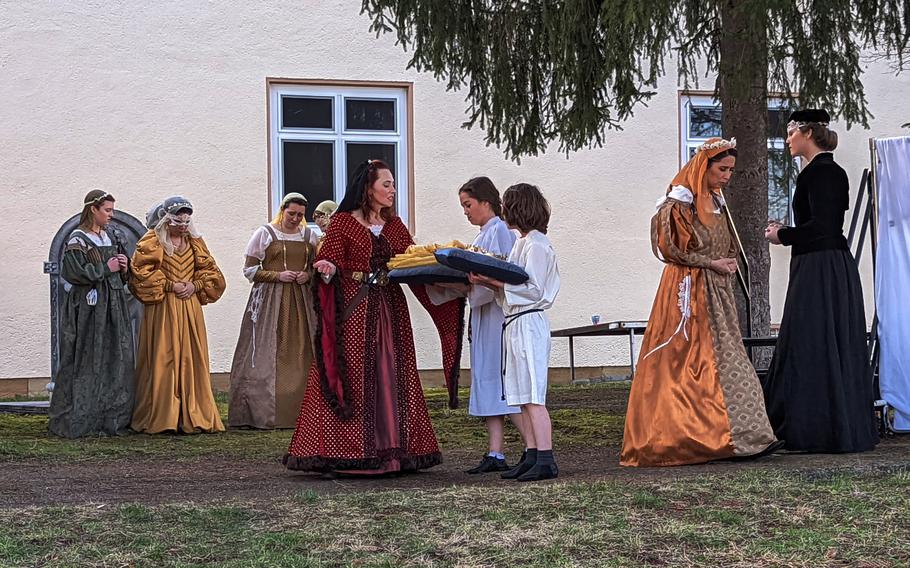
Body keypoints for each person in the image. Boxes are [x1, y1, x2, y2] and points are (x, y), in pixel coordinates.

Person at [284, 160, 465, 475]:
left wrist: (448, 278)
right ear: (368, 188)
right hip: (355, 310)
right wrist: (326, 268)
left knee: (393, 372)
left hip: (391, 309)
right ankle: (346, 450)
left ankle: (393, 449)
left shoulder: (395, 226)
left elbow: (411, 261)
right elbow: (330, 257)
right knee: (353, 374)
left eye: (394, 184)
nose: (392, 190)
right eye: (387, 184)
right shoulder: (342, 222)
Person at [620, 138, 780, 467]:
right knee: (684, 363)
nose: (727, 176)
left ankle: (744, 437)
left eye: (731, 171)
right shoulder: (679, 205)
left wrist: (727, 261)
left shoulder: (718, 203)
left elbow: (724, 244)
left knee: (728, 360)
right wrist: (711, 264)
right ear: (703, 167)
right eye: (722, 169)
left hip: (717, 294)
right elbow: (671, 250)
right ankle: (681, 439)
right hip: (687, 294)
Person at [763, 109, 878, 453]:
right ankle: (811, 427)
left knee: (815, 341)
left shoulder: (825, 173)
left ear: (807, 132)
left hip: (822, 269)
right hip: (816, 265)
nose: (786, 140)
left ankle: (820, 430)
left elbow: (826, 227)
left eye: (790, 132)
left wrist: (783, 234)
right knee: (811, 341)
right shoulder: (816, 172)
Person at [429, 177, 527, 474]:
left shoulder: (500, 231)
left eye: (468, 205)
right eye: (463, 206)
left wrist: (466, 286)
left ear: (486, 202)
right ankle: (495, 452)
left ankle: (534, 447)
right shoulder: (484, 234)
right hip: (485, 319)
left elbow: (499, 276)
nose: (465, 211)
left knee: (503, 386)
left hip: (498, 319)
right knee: (487, 382)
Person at [469, 183, 560, 482]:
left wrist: (494, 282)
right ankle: (531, 453)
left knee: (533, 392)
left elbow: (533, 289)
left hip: (529, 320)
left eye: (508, 205)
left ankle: (545, 457)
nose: (503, 210)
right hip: (514, 319)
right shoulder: (522, 243)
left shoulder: (537, 244)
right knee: (519, 392)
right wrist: (489, 280)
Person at [130, 196, 226, 434]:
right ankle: (165, 416)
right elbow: (139, 272)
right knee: (165, 355)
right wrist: (169, 285)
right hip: (163, 308)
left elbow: (212, 272)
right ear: (165, 219)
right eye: (177, 220)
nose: (183, 225)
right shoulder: (152, 241)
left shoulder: (195, 242)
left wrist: (196, 285)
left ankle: (195, 414)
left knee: (192, 357)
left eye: (186, 220)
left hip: (189, 307)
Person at [228, 193, 318, 429]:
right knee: (268, 348)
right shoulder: (265, 233)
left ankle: (304, 410)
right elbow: (249, 270)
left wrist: (308, 275)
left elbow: (316, 267)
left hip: (301, 299)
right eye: (291, 214)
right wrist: (277, 275)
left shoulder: (309, 235)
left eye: (300, 215)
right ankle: (264, 411)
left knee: (303, 348)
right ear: (282, 210)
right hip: (271, 299)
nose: (296, 219)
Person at [48, 190, 135, 438]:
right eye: (107, 210)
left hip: (113, 306)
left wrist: (123, 267)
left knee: (113, 357)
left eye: (111, 210)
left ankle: (109, 418)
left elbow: (119, 274)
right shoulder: (78, 239)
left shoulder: (109, 237)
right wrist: (105, 268)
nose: (111, 215)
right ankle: (80, 418)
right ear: (93, 210)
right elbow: (73, 272)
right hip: (90, 308)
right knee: (87, 358)